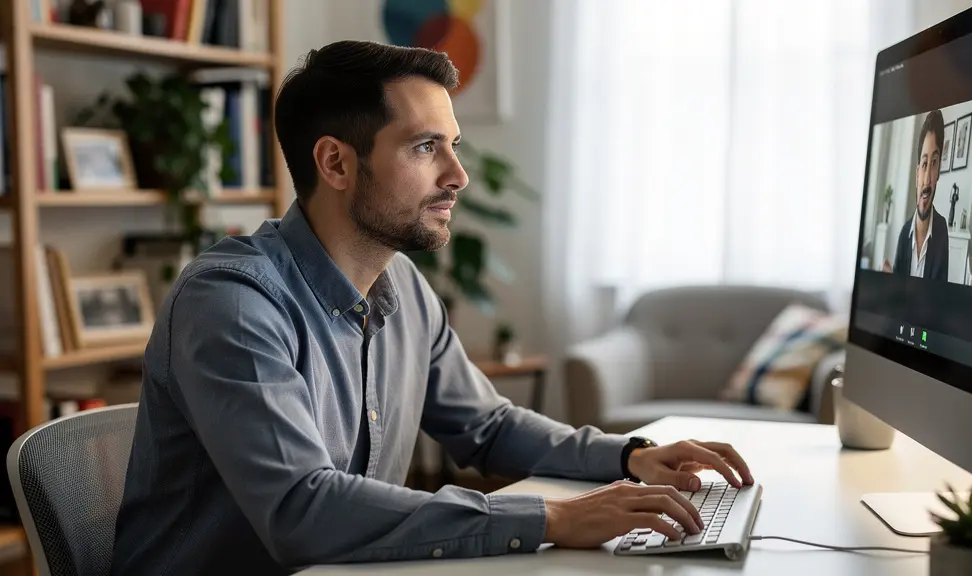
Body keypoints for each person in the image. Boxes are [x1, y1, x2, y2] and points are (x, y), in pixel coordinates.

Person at [110, 40, 754, 576]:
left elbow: (489, 427)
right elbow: (301, 511)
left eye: (453, 145)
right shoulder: (233, 303)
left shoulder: (405, 287)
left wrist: (628, 457)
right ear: (335, 162)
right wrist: (552, 518)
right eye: (425, 148)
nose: (458, 175)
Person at [883, 109, 950, 281]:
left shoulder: (942, 230)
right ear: (917, 174)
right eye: (924, 163)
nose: (927, 179)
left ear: (938, 174)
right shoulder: (904, 234)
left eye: (934, 163)